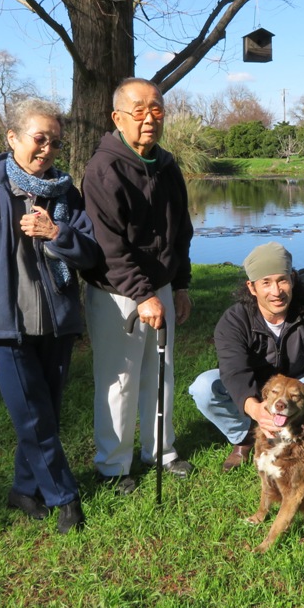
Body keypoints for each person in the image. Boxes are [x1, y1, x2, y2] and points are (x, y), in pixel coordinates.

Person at [0, 97, 98, 533]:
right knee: (32, 415)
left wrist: (57, 232)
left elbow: (89, 253)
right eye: (39, 138)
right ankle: (64, 497)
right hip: (2, 326)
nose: (47, 149)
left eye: (55, 142)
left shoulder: (67, 193)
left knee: (43, 411)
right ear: (12, 138)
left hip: (57, 323)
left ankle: (23, 489)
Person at [82, 77, 194, 495]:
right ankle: (113, 466)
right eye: (139, 110)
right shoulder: (103, 168)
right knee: (120, 379)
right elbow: (109, 244)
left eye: (157, 109)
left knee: (159, 371)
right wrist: (142, 294)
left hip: (159, 287)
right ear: (118, 117)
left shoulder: (166, 165)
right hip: (117, 292)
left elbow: (181, 230)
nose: (149, 119)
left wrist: (179, 284)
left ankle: (161, 452)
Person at [189, 242, 304, 472]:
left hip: (298, 383)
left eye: (282, 280)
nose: (276, 291)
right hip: (257, 386)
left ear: (293, 279)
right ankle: (245, 438)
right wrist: (255, 409)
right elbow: (234, 372)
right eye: (266, 283)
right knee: (203, 387)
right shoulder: (234, 320)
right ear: (252, 287)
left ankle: (298, 438)